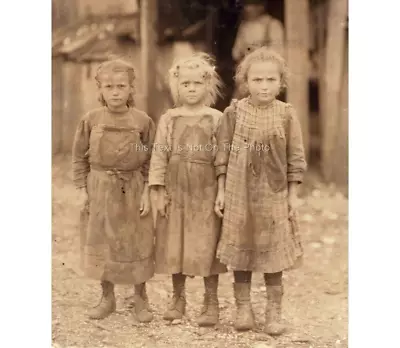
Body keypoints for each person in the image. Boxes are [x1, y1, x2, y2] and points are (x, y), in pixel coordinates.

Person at [214, 47, 307, 335]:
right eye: (257, 80)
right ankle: (243, 308)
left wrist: (292, 195)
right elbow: (222, 153)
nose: (264, 86)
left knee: (272, 250)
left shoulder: (287, 115)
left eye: (270, 80)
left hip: (273, 192)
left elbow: (296, 157)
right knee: (241, 246)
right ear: (245, 81)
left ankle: (273, 311)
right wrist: (220, 190)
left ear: (281, 82)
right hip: (237, 190)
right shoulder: (234, 112)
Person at [72, 59, 156, 322]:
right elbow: (79, 158)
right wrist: (82, 189)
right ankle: (106, 298)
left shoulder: (142, 121)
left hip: (133, 187)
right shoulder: (91, 120)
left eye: (122, 86)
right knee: (103, 240)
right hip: (100, 187)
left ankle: (141, 298)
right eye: (109, 86)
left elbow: (152, 158)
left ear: (132, 88)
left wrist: (147, 192)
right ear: (100, 89)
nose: (116, 91)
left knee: (136, 240)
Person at [148, 53, 227, 327]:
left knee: (207, 243)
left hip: (205, 189)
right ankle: (178, 300)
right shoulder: (169, 118)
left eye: (196, 83)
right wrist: (157, 190)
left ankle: (211, 301)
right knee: (175, 243)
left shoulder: (216, 118)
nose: (191, 89)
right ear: (176, 86)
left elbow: (222, 158)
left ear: (208, 86)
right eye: (185, 84)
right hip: (176, 189)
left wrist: (221, 190)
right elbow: (159, 155)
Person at [232, 0, 285, 99]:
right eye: (246, 5)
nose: (248, 9)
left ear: (261, 6)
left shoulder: (273, 25)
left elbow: (279, 53)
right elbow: (235, 52)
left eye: (251, 5)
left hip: (265, 75)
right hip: (246, 76)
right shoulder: (245, 26)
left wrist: (258, 52)